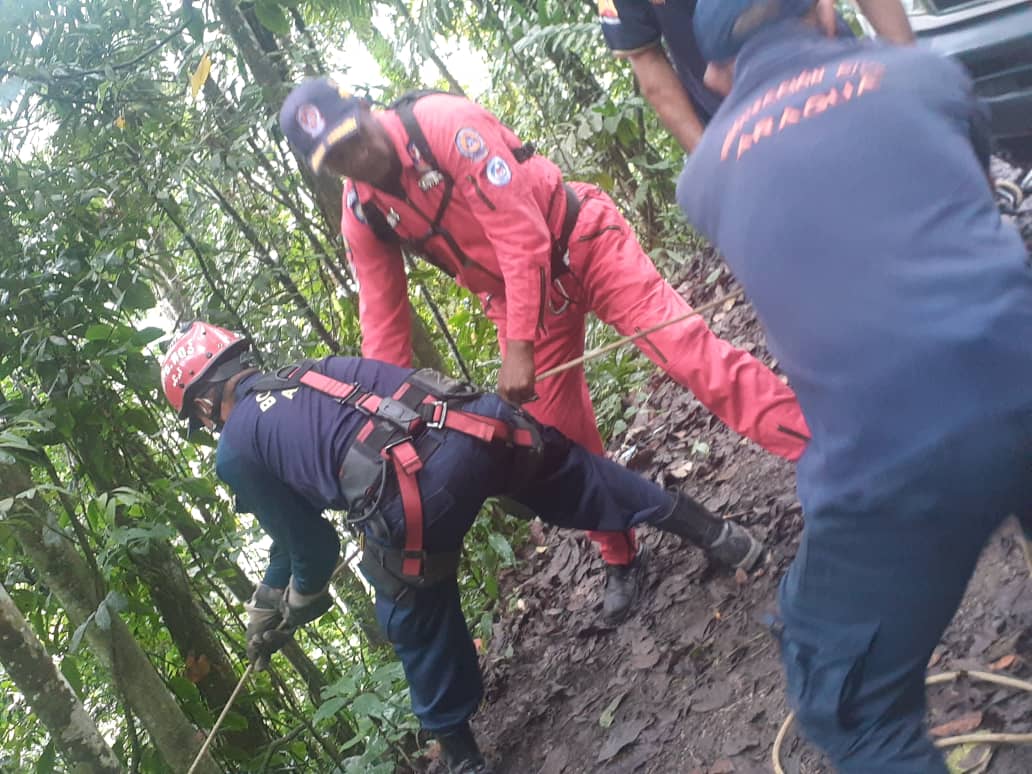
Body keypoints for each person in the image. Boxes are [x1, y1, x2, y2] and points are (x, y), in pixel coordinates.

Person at [277, 79, 810, 625]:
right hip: (513, 302)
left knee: (691, 354)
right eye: (337, 157)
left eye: (353, 137)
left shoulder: (442, 124)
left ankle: (818, 457)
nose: (355, 158)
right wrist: (383, 418)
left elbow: (519, 232)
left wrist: (519, 346)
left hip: (581, 241)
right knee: (561, 443)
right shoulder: (363, 214)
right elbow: (382, 321)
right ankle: (619, 553)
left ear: (365, 109)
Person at [160, 321, 765, 774]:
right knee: (583, 477)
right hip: (475, 427)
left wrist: (292, 606)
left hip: (414, 499)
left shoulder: (235, 449)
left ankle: (463, 757)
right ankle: (720, 536)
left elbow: (311, 550)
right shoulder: (308, 373)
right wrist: (270, 593)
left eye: (203, 419)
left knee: (408, 614)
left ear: (206, 405)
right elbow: (292, 542)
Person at [677, 1, 1032, 771]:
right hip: (1021, 362)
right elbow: (974, 193)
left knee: (851, 708)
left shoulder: (703, 179)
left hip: (894, 456)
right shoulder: (926, 75)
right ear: (827, 14)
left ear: (715, 73)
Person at [597, 0, 914, 153]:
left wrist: (908, 65)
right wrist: (714, 162)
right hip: (747, 125)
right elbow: (648, 63)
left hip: (837, 73)